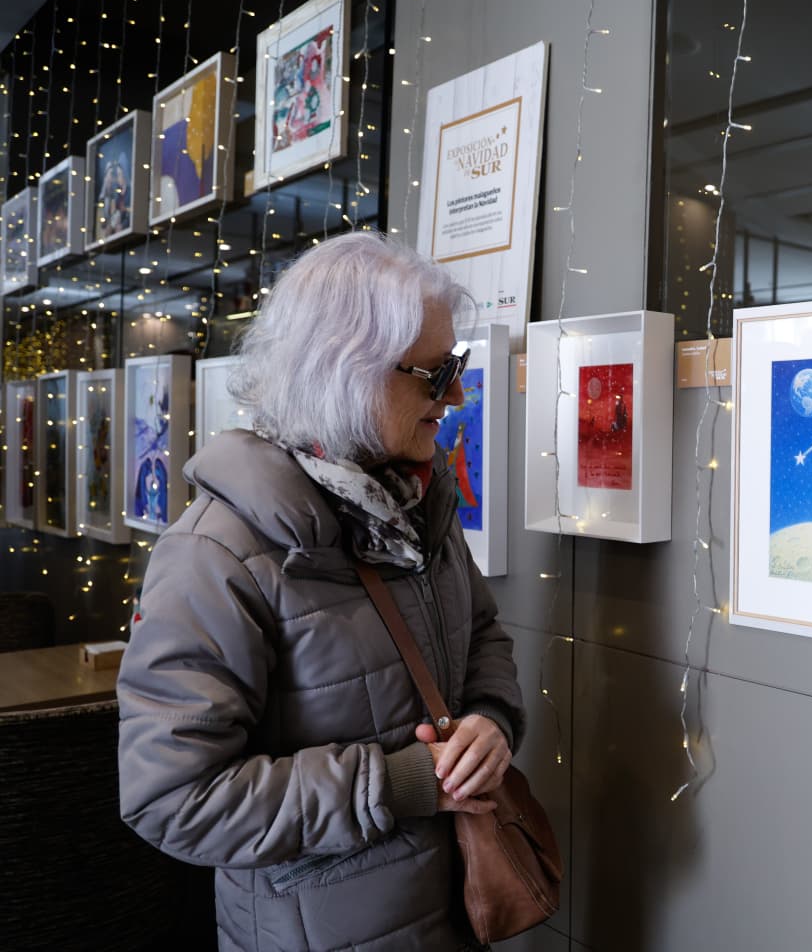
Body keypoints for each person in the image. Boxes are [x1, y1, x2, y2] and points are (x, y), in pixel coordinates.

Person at [116, 232, 525, 951]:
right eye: (436, 373)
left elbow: (482, 636)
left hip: (451, 913)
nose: (457, 395)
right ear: (347, 370)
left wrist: (491, 721)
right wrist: (398, 783)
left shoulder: (417, 506)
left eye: (454, 367)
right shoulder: (216, 555)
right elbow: (172, 799)